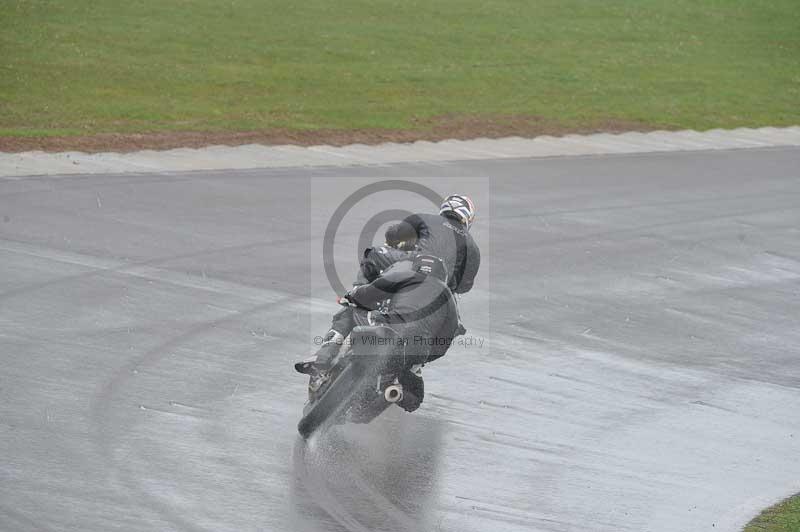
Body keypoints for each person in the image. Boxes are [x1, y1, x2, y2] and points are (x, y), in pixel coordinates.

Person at [341, 254, 459, 412]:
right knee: (415, 397)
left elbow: (373, 290)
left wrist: (352, 296)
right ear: (442, 275)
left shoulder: (408, 276)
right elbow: (445, 341)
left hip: (386, 327)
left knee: (356, 322)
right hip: (416, 348)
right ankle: (394, 393)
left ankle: (335, 357)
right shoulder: (449, 299)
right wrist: (422, 358)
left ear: (417, 267)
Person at [402, 194, 480, 294]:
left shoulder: (421, 218)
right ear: (468, 217)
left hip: (409, 274)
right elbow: (465, 286)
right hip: (440, 290)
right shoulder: (471, 244)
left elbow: (394, 238)